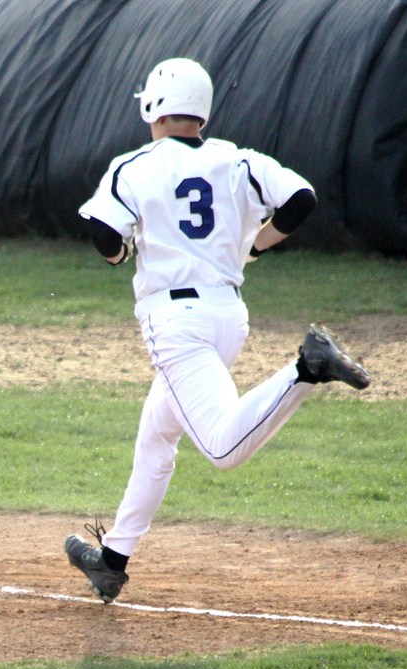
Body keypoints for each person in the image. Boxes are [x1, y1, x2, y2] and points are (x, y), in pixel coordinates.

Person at [65, 58, 371, 603]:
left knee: (223, 448)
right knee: (156, 437)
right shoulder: (237, 159)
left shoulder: (133, 165)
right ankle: (112, 559)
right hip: (228, 317)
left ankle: (307, 368)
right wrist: (255, 244)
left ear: (154, 106)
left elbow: (101, 231)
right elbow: (302, 198)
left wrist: (119, 253)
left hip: (176, 323)